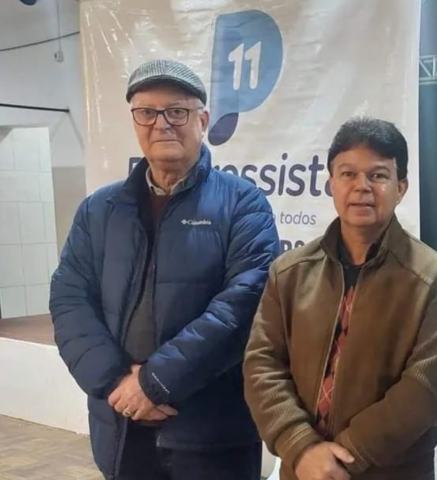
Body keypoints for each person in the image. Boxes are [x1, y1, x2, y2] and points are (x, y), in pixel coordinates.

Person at [50, 59, 280, 480]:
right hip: (121, 426)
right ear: (135, 121)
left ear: (202, 120)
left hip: (211, 433)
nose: (161, 124)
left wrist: (154, 382)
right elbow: (69, 299)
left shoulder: (243, 204)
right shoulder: (99, 209)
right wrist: (115, 382)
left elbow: (244, 304)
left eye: (177, 111)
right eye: (147, 112)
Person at [244, 117, 437, 480]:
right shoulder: (289, 272)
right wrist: (301, 447)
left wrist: (342, 458)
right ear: (331, 183)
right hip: (303, 470)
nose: (362, 186)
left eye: (378, 175)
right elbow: (261, 365)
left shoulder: (436, 279)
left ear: (401, 187)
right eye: (348, 174)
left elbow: (428, 389)